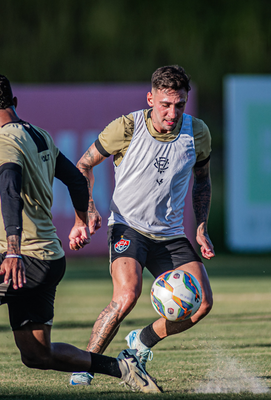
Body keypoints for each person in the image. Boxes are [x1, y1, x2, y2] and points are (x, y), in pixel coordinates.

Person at [0, 73, 161, 399]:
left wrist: (12, 250)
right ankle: (122, 368)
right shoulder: (39, 134)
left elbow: (9, 190)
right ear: (14, 103)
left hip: (22, 259)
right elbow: (74, 178)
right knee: (36, 356)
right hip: (50, 260)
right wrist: (86, 213)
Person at [70, 65, 214, 386]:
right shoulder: (127, 127)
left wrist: (201, 226)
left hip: (171, 234)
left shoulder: (198, 132)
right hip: (128, 227)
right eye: (165, 104)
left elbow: (202, 181)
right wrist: (88, 210)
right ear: (151, 99)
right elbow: (83, 165)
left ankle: (142, 342)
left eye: (179, 105)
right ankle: (86, 365)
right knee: (127, 295)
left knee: (203, 304)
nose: (172, 113)